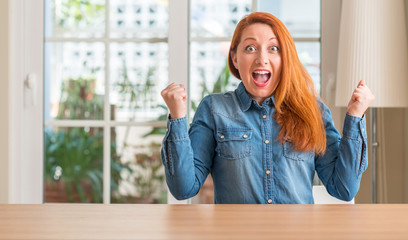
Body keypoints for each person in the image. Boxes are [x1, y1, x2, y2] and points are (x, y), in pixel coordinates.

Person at [160, 12, 374, 204]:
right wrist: (177, 116)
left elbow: (343, 189)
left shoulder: (314, 111)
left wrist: (355, 116)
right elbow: (183, 189)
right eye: (250, 48)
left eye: (274, 49)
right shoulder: (214, 109)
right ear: (235, 58)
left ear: (285, 58)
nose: (262, 58)